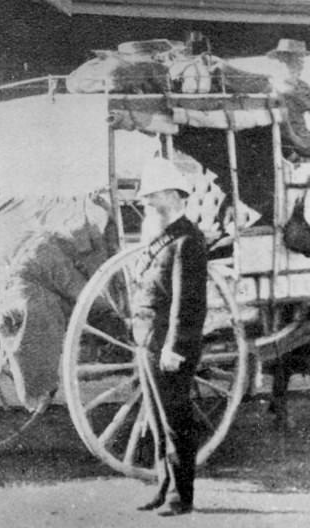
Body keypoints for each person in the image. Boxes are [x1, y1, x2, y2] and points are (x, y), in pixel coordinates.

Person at [132, 157, 207, 517]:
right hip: (148, 341)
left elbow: (188, 302)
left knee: (176, 422)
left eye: (150, 197)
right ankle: (163, 488)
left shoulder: (187, 241)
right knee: (158, 421)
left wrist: (175, 347)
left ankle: (182, 497)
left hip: (168, 346)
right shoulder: (162, 238)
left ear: (169, 195)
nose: (145, 203)